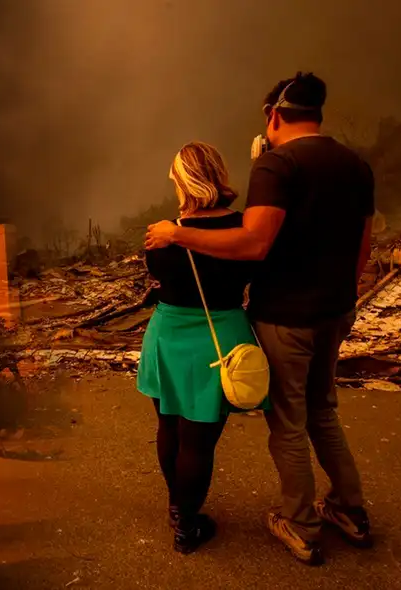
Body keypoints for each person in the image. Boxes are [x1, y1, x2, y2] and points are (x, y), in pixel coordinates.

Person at [144, 72, 374, 566]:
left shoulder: (276, 165)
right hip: (335, 310)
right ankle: (350, 510)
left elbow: (255, 243)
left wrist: (177, 233)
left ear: (273, 115)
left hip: (285, 316)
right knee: (323, 411)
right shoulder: (356, 164)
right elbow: (363, 241)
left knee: (288, 423)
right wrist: (346, 297)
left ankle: (301, 525)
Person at [137, 141, 267, 554]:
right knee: (198, 441)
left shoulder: (163, 233)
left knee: (168, 427)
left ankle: (179, 511)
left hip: (168, 335)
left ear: (184, 180)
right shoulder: (245, 228)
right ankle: (186, 523)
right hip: (220, 335)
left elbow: (157, 272)